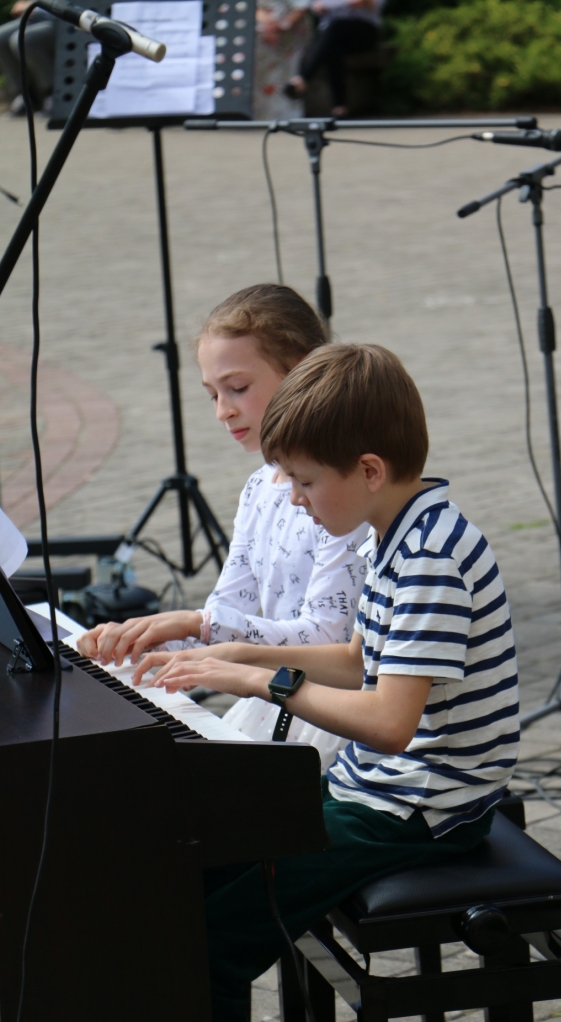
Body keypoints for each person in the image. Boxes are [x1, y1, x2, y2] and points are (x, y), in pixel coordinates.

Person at [135, 342, 521, 1022]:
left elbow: (389, 723)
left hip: (418, 807)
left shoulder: (432, 559)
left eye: (305, 480)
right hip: (377, 787)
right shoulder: (396, 532)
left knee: (215, 943)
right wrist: (238, 656)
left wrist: (267, 684)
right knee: (195, 865)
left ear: (369, 470)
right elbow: (357, 658)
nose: (293, 498)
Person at [77, 285, 368, 767]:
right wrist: (141, 642)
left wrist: (198, 623)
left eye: (238, 388)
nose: (222, 411)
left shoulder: (342, 490)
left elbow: (327, 641)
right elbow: (229, 613)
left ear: (302, 371)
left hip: (331, 713)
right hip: (276, 696)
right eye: (213, 394)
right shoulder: (260, 487)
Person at [283, 0, 384, 117]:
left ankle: (303, 79)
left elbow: (370, 3)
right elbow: (315, 5)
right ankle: (340, 108)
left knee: (334, 29)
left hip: (363, 31)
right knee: (332, 45)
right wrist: (320, 7)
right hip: (330, 33)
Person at [253, 0, 312, 120]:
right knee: (261, 80)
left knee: (288, 78)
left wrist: (283, 25)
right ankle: (261, 119)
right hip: (260, 37)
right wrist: (267, 24)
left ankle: (289, 119)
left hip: (291, 37)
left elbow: (302, 7)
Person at [0, 0, 55, 115]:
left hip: (61, 21)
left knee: (24, 39)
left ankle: (51, 93)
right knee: (1, 37)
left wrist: (35, 9)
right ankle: (25, 95)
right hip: (38, 16)